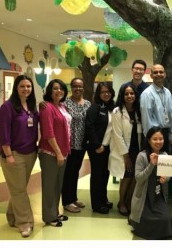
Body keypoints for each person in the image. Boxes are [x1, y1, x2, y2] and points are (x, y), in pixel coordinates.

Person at [0, 75, 39, 237]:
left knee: (18, 189)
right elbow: (3, 133)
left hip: (30, 153)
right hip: (13, 154)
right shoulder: (7, 107)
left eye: (28, 86)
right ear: (16, 88)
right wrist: (8, 155)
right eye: (22, 86)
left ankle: (12, 216)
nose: (26, 89)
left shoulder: (31, 106)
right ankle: (25, 223)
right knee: (19, 190)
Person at [129, 127, 172, 240]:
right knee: (145, 220)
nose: (158, 142)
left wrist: (166, 178)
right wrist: (151, 165)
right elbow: (138, 179)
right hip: (144, 198)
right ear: (149, 140)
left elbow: (168, 175)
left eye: (161, 139)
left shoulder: (165, 155)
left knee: (165, 219)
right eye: (155, 139)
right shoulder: (142, 156)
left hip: (158, 196)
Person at [39, 79, 72, 228]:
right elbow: (48, 132)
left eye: (61, 89)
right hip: (50, 152)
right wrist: (58, 152)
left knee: (58, 185)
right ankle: (48, 216)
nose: (59, 91)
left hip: (63, 151)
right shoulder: (47, 108)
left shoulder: (62, 106)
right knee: (49, 185)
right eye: (55, 89)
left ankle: (55, 212)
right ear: (49, 91)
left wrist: (63, 152)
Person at [109, 84, 143, 216]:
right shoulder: (118, 112)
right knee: (126, 177)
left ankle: (129, 202)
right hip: (125, 150)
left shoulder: (138, 110)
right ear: (122, 96)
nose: (129, 96)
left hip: (137, 149)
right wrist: (125, 155)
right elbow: (117, 135)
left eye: (132, 93)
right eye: (126, 94)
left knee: (135, 177)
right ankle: (121, 202)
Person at [61, 77, 90, 213]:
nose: (78, 88)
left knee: (75, 172)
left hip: (82, 144)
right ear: (71, 88)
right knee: (68, 173)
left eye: (80, 86)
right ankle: (67, 201)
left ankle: (73, 198)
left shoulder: (88, 104)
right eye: (75, 86)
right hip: (69, 144)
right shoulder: (64, 103)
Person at [85, 82, 115, 214]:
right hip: (97, 148)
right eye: (103, 92)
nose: (106, 94)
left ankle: (103, 199)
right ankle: (96, 204)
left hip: (107, 147)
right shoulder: (95, 108)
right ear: (98, 94)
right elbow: (89, 127)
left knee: (105, 174)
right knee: (97, 175)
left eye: (108, 91)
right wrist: (97, 145)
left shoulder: (110, 108)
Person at [140, 64, 172, 152]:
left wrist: (170, 135)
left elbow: (170, 115)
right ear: (151, 75)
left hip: (165, 134)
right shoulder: (147, 94)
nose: (158, 74)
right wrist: (151, 141)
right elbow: (146, 120)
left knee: (165, 163)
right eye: (155, 72)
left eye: (161, 72)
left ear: (165, 74)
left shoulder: (168, 92)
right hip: (154, 137)